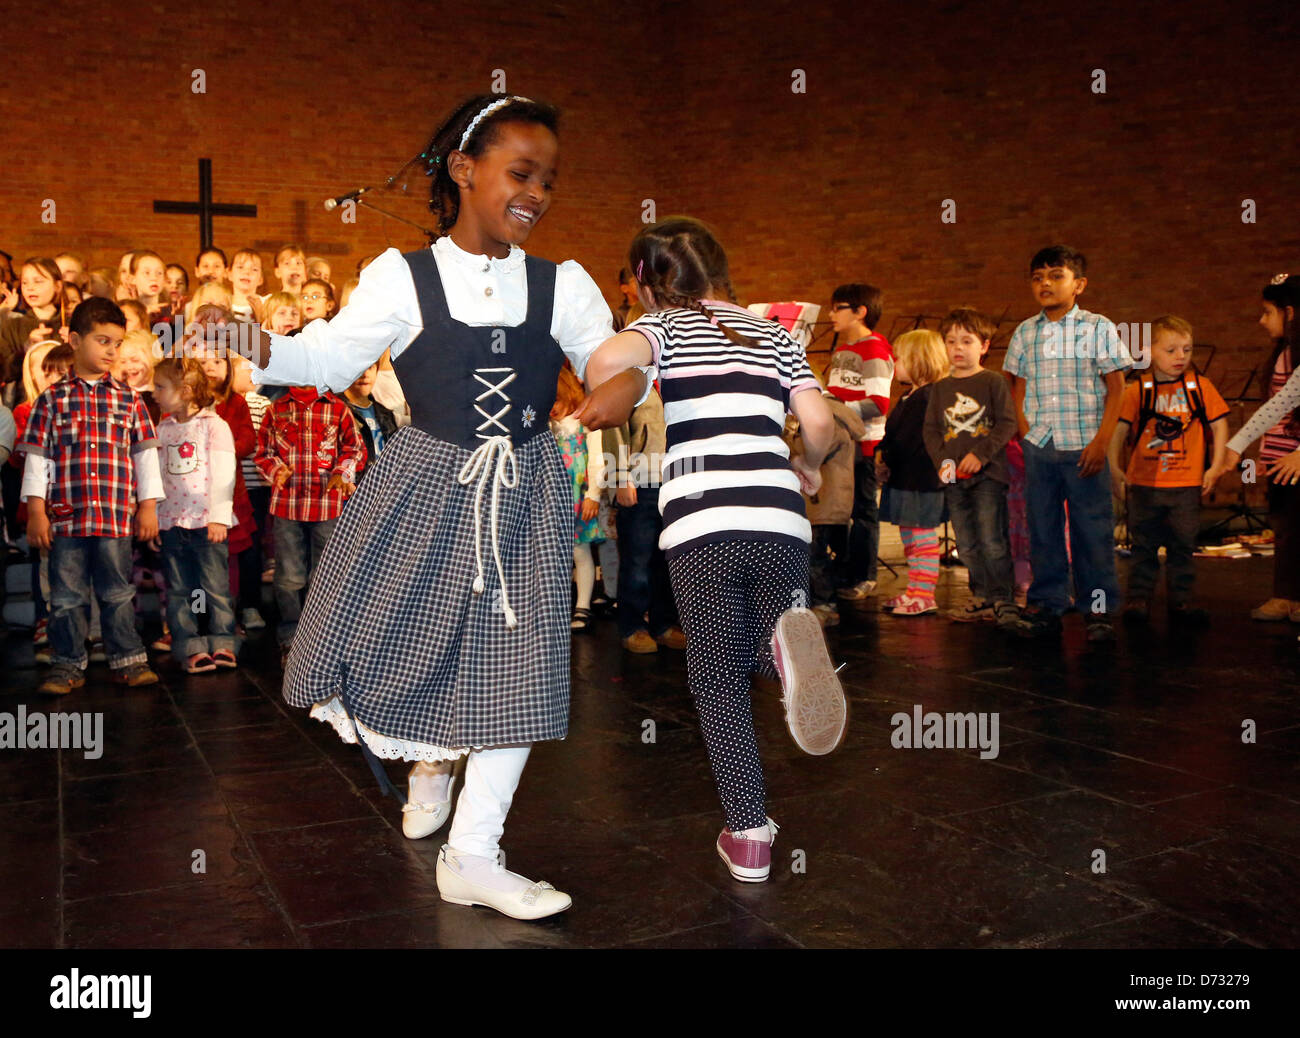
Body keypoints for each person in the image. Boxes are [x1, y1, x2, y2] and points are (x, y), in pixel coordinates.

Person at [193, 94, 650, 921]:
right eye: (521, 172)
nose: (538, 192)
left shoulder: (564, 283)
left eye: (549, 178)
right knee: (414, 641)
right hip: (426, 483)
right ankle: (432, 763)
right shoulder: (402, 276)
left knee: (523, 668)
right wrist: (243, 337)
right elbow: (323, 359)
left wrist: (623, 384)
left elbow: (613, 358)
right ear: (464, 171)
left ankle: (473, 853)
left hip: (527, 487)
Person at [581, 216, 847, 884]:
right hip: (779, 514)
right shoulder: (776, 333)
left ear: (649, 282)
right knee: (762, 644)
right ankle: (784, 651)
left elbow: (601, 366)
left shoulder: (666, 328)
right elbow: (818, 421)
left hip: (701, 520)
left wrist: (636, 350)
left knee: (716, 676)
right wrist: (807, 465)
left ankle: (750, 833)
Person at [18, 298, 162, 694]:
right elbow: (37, 461)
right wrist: (36, 512)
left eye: (117, 343)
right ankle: (66, 664)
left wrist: (148, 506)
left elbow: (145, 456)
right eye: (103, 341)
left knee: (117, 591)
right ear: (75, 339)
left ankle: (128, 660)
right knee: (65, 596)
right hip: (66, 519)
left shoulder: (129, 399)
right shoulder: (51, 400)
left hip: (115, 517)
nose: (112, 352)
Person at [1003, 245, 1133, 641]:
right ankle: (1048, 603)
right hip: (1041, 445)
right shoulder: (1025, 331)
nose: (1045, 284)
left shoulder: (1097, 327)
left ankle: (1097, 609)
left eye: (1056, 276)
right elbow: (1017, 387)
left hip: (1085, 446)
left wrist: (1103, 443)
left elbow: (1117, 387)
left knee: (1092, 530)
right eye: (1038, 277)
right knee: (1042, 528)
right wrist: (1025, 433)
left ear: (1078, 284)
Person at [1109, 315, 1228, 625]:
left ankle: (1182, 601)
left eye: (1187, 350)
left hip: (1186, 483)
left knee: (1183, 546)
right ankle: (1138, 599)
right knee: (1143, 546)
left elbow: (1220, 425)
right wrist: (1114, 469)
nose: (1181, 357)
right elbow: (1117, 433)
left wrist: (1215, 467)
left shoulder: (1200, 387)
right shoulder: (1137, 391)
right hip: (1145, 484)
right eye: (1171, 350)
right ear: (1150, 352)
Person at [923, 308, 1019, 626]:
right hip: (953, 478)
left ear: (984, 346)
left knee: (992, 538)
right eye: (951, 341)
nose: (958, 348)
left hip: (988, 475)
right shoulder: (940, 388)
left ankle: (1003, 597)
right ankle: (981, 595)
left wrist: (981, 454)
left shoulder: (992, 381)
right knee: (966, 542)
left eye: (966, 340)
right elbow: (932, 430)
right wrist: (943, 462)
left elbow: (1007, 423)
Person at [252, 376, 361, 658]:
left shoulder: (337, 408)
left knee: (326, 573)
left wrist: (342, 472)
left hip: (328, 505)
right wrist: (277, 470)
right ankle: (291, 634)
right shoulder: (276, 410)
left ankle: (323, 636)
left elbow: (354, 448)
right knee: (289, 575)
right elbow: (263, 452)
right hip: (287, 505)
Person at [151, 358, 238, 672]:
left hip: (205, 521)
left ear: (185, 391)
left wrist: (218, 515)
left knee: (213, 586)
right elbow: (158, 475)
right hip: (174, 522)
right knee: (180, 589)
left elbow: (225, 473)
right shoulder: (162, 429)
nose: (154, 392)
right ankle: (190, 644)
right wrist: (157, 518)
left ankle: (223, 641)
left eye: (160, 387)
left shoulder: (213, 426)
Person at [1223, 273, 1300, 623]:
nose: (1261, 320)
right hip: (1281, 459)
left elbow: (1281, 404)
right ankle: (1286, 596)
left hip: (1296, 459)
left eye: (1267, 312)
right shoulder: (1284, 354)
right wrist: (1240, 447)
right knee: (1284, 529)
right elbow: (1277, 405)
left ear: (1291, 313)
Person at [823, 282, 893, 602]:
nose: (830, 314)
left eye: (837, 308)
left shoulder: (875, 348)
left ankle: (865, 575)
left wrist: (835, 409)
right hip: (839, 444)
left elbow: (878, 403)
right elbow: (836, 394)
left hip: (863, 443)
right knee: (838, 509)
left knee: (864, 511)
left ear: (860, 312)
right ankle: (843, 569)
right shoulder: (841, 351)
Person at [606, 382, 685, 650]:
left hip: (678, 482)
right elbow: (614, 427)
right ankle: (633, 626)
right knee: (637, 559)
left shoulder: (677, 378)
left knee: (669, 559)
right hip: (642, 481)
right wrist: (620, 476)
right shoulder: (632, 379)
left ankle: (664, 624)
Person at [877, 329, 949, 616]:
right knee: (911, 538)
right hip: (905, 477)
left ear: (921, 361)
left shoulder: (928, 397)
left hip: (921, 479)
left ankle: (925, 593)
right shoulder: (910, 395)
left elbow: (909, 439)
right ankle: (913, 589)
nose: (896, 364)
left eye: (901, 358)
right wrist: (883, 457)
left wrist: (888, 458)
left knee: (922, 538)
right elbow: (893, 433)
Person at [787, 392, 865, 628]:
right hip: (831, 500)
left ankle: (825, 606)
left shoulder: (826, 418)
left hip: (822, 501)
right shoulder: (839, 416)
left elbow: (809, 451)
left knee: (816, 557)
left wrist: (788, 436)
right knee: (827, 555)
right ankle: (828, 600)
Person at [200, 350, 262, 630]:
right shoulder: (186, 404)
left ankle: (236, 611)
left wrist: (221, 452)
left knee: (236, 557)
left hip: (230, 495)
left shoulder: (236, 403)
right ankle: (200, 616)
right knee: (200, 564)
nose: (210, 368)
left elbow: (248, 440)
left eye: (217, 361)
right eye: (201, 362)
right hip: (195, 499)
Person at [550, 363, 606, 631]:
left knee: (579, 550)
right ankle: (556, 607)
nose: (553, 408)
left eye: (557, 400)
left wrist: (592, 495)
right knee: (553, 553)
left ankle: (582, 606)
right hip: (552, 497)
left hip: (577, 496)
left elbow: (597, 460)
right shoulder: (547, 426)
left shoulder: (585, 421)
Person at [341, 361, 398, 479]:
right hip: (352, 487)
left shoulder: (386, 414)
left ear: (377, 371)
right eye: (360, 368)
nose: (365, 374)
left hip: (382, 487)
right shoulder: (335, 412)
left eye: (370, 367)